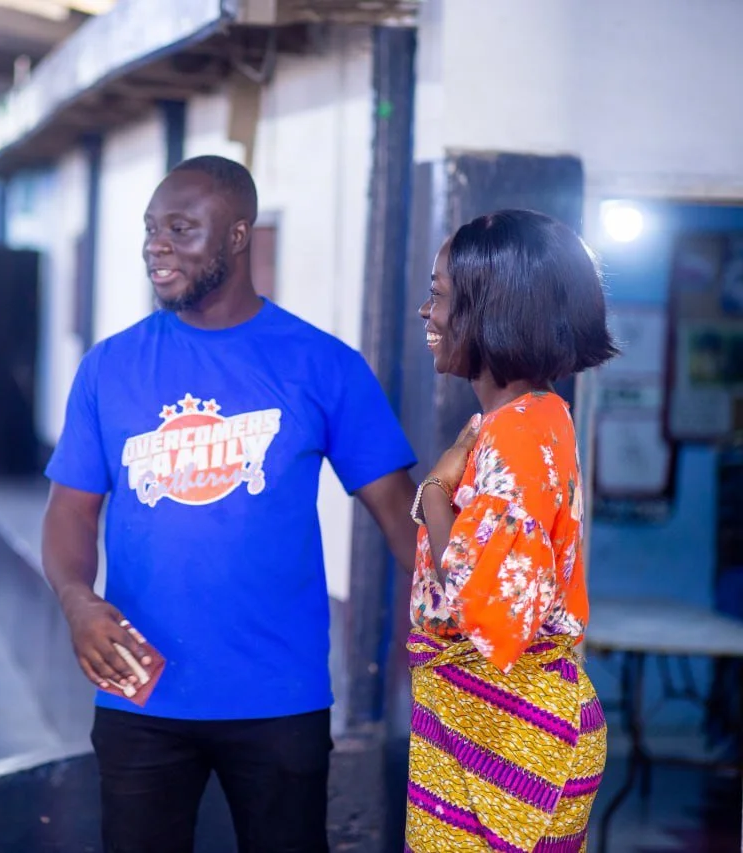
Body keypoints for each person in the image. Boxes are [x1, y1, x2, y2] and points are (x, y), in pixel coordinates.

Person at [41, 155, 420, 852]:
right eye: (152, 229)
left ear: (239, 236)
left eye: (181, 229)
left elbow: (403, 520)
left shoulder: (323, 365)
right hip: (141, 690)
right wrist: (76, 598)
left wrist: (464, 655)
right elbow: (70, 511)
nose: (157, 245)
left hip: (280, 696)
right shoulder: (109, 367)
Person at [408, 209, 617, 851]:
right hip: (486, 719)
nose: (426, 312)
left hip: (509, 730)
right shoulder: (535, 417)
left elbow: (492, 608)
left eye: (440, 296)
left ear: (490, 310)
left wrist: (436, 494)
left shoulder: (517, 434)